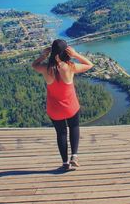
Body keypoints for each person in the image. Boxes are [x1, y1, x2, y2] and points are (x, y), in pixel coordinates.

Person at [32, 39, 93, 171]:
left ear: (52, 51)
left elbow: (34, 65)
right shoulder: (70, 67)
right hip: (71, 107)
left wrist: (44, 55)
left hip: (54, 109)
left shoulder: (46, 69)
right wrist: (75, 55)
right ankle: (74, 156)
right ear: (66, 52)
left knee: (61, 134)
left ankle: (65, 163)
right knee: (74, 127)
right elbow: (89, 64)